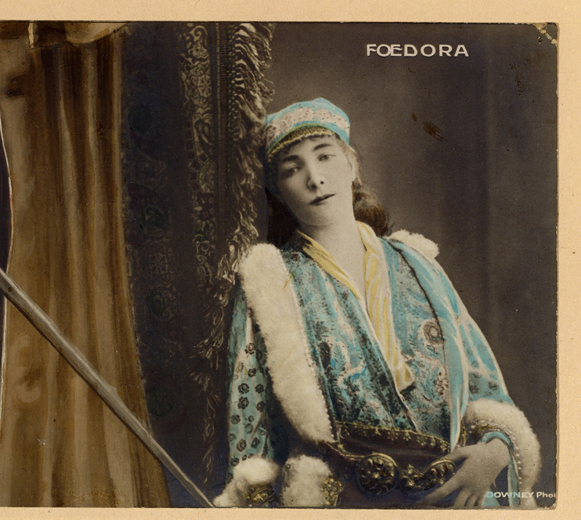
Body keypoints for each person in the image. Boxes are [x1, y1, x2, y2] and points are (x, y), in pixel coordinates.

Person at [214, 98, 540, 508]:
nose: (315, 178)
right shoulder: (270, 282)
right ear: (278, 190)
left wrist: (494, 451)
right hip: (342, 500)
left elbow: (485, 388)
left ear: (351, 165)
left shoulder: (419, 265)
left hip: (453, 493)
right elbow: (253, 432)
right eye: (292, 169)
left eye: (325, 156)